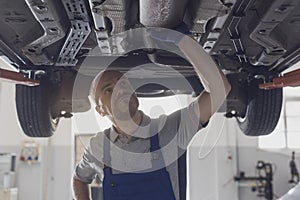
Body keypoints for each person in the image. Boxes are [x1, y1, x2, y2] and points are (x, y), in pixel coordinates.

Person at [72, 30, 231, 200]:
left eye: (123, 83)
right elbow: (79, 179)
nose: (119, 89)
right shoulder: (98, 146)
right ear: (100, 110)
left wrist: (185, 40)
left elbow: (220, 89)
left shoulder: (171, 130)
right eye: (108, 90)